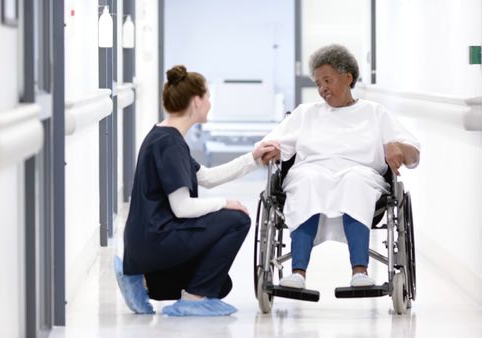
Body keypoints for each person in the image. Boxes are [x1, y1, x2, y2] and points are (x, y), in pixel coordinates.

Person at [114, 65, 279, 316]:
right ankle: (192, 299)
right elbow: (182, 208)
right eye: (208, 97)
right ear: (197, 101)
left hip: (148, 240)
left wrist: (253, 159)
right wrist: (225, 203)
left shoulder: (165, 136)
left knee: (221, 285)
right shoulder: (169, 144)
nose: (210, 103)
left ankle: (144, 281)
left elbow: (208, 177)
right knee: (237, 220)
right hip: (157, 239)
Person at [258, 44, 421, 289]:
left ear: (348, 78)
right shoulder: (305, 113)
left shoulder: (374, 113)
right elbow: (268, 145)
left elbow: (413, 153)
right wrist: (271, 150)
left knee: (354, 181)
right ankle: (298, 273)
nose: (322, 89)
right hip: (311, 172)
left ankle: (360, 272)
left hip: (361, 175)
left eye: (328, 80)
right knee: (307, 180)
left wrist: (397, 146)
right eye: (318, 83)